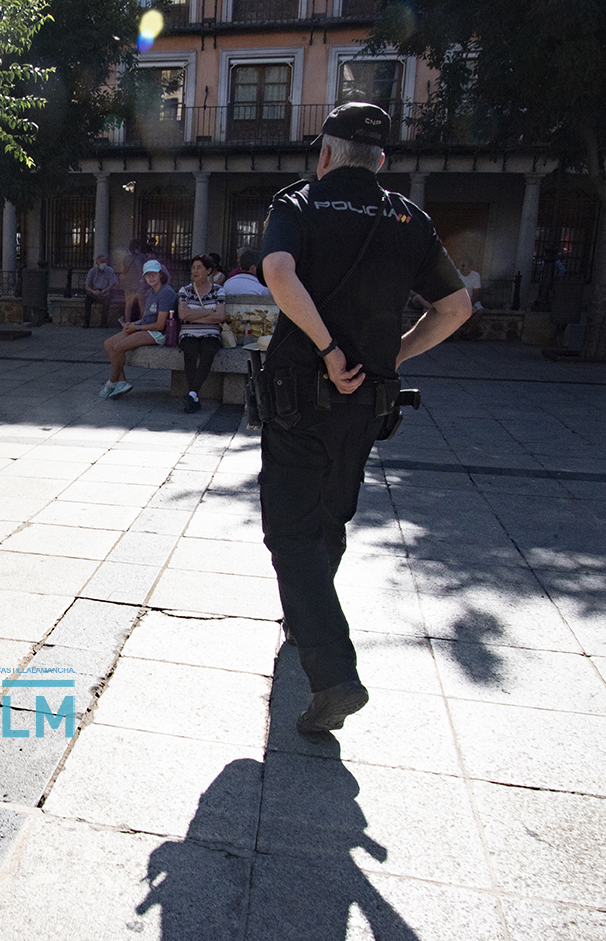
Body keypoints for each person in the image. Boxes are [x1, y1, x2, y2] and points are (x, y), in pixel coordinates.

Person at [257, 103, 470, 735]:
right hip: (366, 401)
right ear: (380, 162)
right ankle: (305, 618)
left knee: (290, 534)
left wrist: (327, 348)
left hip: (301, 393)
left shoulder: (298, 205)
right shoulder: (408, 217)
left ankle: (333, 675)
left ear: (325, 154)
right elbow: (456, 306)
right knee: (330, 515)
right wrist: (389, 354)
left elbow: (276, 271)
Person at [100, 259, 174, 399]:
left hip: (158, 333)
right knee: (108, 344)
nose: (150, 278)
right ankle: (121, 381)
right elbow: (147, 316)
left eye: (154, 274)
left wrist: (137, 327)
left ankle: (112, 382)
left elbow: (159, 325)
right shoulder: (150, 293)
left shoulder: (166, 293)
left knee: (118, 347)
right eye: (147, 275)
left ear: (160, 274)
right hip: (145, 327)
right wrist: (133, 324)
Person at [176, 254, 226, 413]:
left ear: (209, 270)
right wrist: (208, 312)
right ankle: (193, 396)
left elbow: (220, 316)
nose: (195, 271)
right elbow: (182, 315)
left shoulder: (219, 290)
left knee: (208, 352)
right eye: (193, 268)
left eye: (199, 268)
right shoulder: (185, 290)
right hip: (188, 333)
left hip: (211, 333)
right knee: (189, 352)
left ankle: (192, 395)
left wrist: (194, 315)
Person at [453, 258, 487, 340]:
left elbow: (476, 293)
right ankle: (453, 333)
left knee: (480, 311)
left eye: (464, 265)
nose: (461, 267)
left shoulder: (475, 276)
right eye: (461, 265)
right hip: (457, 300)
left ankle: (466, 332)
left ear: (470, 267)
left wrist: (469, 304)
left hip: (470, 300)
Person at [83, 253, 118, 328]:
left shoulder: (109, 270)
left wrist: (104, 291)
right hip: (94, 291)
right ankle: (86, 322)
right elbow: (86, 285)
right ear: (97, 263)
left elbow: (112, 284)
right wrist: (93, 291)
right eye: (101, 262)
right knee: (87, 300)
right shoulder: (92, 271)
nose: (103, 264)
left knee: (107, 300)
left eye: (104, 261)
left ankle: (104, 323)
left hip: (105, 291)